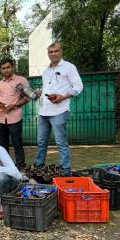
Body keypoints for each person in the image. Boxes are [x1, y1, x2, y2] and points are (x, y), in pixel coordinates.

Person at [35, 42, 83, 176]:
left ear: (61, 52)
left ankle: (66, 171)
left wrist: (63, 96)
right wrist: (40, 91)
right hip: (44, 111)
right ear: (48, 54)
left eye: (56, 51)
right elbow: (47, 88)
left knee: (61, 142)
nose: (53, 54)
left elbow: (79, 87)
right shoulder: (46, 71)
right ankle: (39, 168)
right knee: (41, 142)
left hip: (59, 111)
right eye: (51, 52)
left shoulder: (69, 67)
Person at [0, 58, 30, 169]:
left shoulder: (21, 80)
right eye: (3, 68)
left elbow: (28, 98)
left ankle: (20, 167)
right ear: (1, 70)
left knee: (17, 144)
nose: (6, 70)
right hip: (0, 118)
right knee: (2, 146)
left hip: (15, 117)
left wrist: (14, 105)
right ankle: (5, 167)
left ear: (13, 67)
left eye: (8, 67)